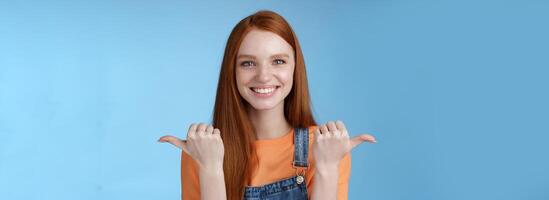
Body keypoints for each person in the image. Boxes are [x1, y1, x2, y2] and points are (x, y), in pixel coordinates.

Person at [158, 10, 376, 200]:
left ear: (294, 68)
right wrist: (211, 169)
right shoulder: (202, 150)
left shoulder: (325, 148)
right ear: (231, 72)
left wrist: (327, 168)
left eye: (278, 61)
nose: (263, 76)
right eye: (248, 63)